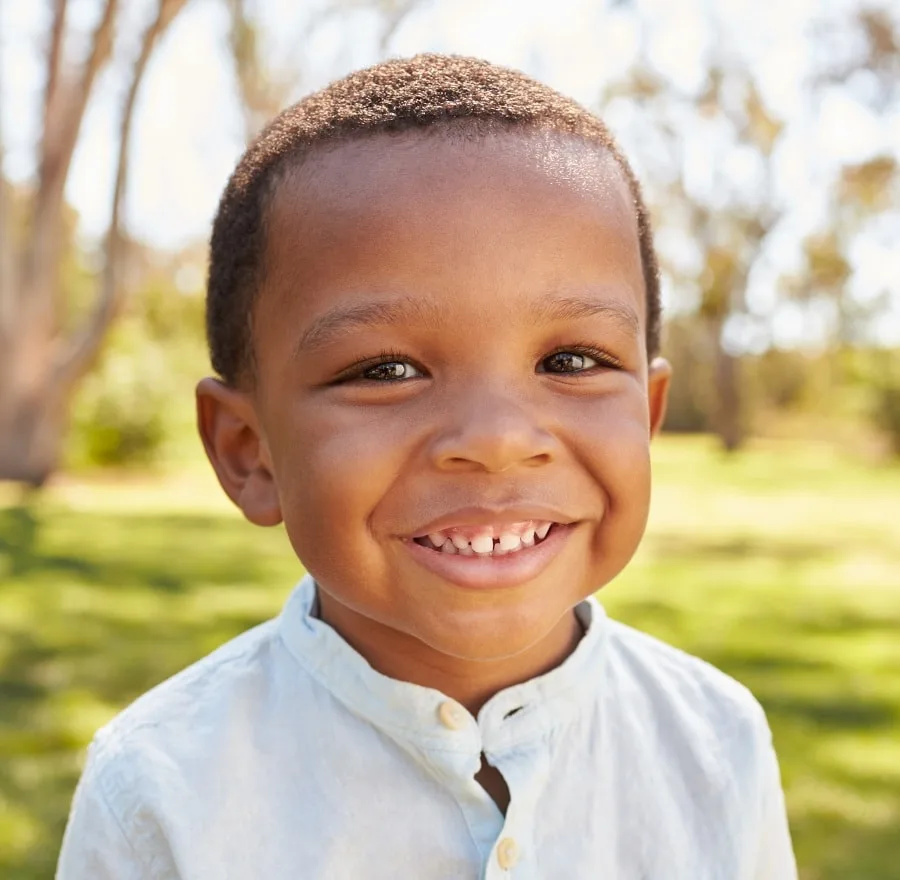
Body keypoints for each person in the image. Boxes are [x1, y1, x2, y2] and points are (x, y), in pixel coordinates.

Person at [56, 54, 797, 879]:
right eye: (386, 371)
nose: (497, 439)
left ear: (648, 417)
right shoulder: (158, 789)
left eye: (574, 359)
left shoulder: (718, 741)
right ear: (246, 450)